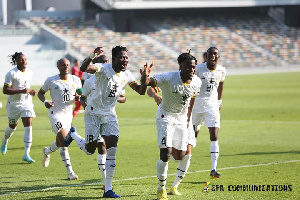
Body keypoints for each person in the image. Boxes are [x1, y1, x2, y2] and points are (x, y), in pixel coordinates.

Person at [66, 46, 152, 198]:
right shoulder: (102, 68)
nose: (125, 60)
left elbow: (141, 91)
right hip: (93, 113)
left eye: (126, 57)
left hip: (110, 115)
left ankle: (108, 189)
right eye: (121, 57)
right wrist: (93, 54)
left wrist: (145, 78)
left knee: (112, 149)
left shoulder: (127, 74)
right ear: (114, 59)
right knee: (90, 150)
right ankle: (73, 134)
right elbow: (84, 67)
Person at [147, 52, 201, 200]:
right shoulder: (169, 78)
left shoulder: (196, 82)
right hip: (165, 117)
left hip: (182, 119)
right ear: (180, 66)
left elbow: (191, 102)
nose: (192, 70)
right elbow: (149, 88)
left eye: (194, 67)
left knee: (181, 156)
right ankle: (161, 189)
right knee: (166, 153)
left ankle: (174, 187)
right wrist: (155, 95)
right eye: (189, 67)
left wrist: (189, 123)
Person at [37, 58, 82, 180]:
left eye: (67, 64)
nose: (66, 66)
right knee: (62, 138)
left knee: (61, 141)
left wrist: (79, 97)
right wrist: (45, 101)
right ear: (58, 67)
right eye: (63, 65)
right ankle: (70, 172)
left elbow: (81, 94)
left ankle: (47, 152)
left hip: (68, 115)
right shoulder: (51, 80)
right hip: (55, 113)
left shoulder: (76, 79)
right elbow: (40, 93)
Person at [188, 47, 226, 179]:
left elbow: (221, 84)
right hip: (197, 106)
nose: (213, 56)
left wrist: (219, 100)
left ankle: (213, 169)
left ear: (218, 56)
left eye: (215, 54)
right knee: (192, 138)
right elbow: (189, 80)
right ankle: (184, 163)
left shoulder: (222, 70)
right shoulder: (198, 69)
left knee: (214, 134)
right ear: (207, 56)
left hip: (212, 106)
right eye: (210, 54)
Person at [1, 52, 36, 163]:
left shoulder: (30, 72)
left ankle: (26, 154)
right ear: (16, 61)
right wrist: (22, 91)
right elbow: (5, 90)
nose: (24, 61)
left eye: (25, 59)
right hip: (14, 105)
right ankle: (5, 141)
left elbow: (26, 88)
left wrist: (30, 92)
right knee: (12, 127)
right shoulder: (11, 73)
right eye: (21, 59)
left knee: (28, 126)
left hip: (26, 103)